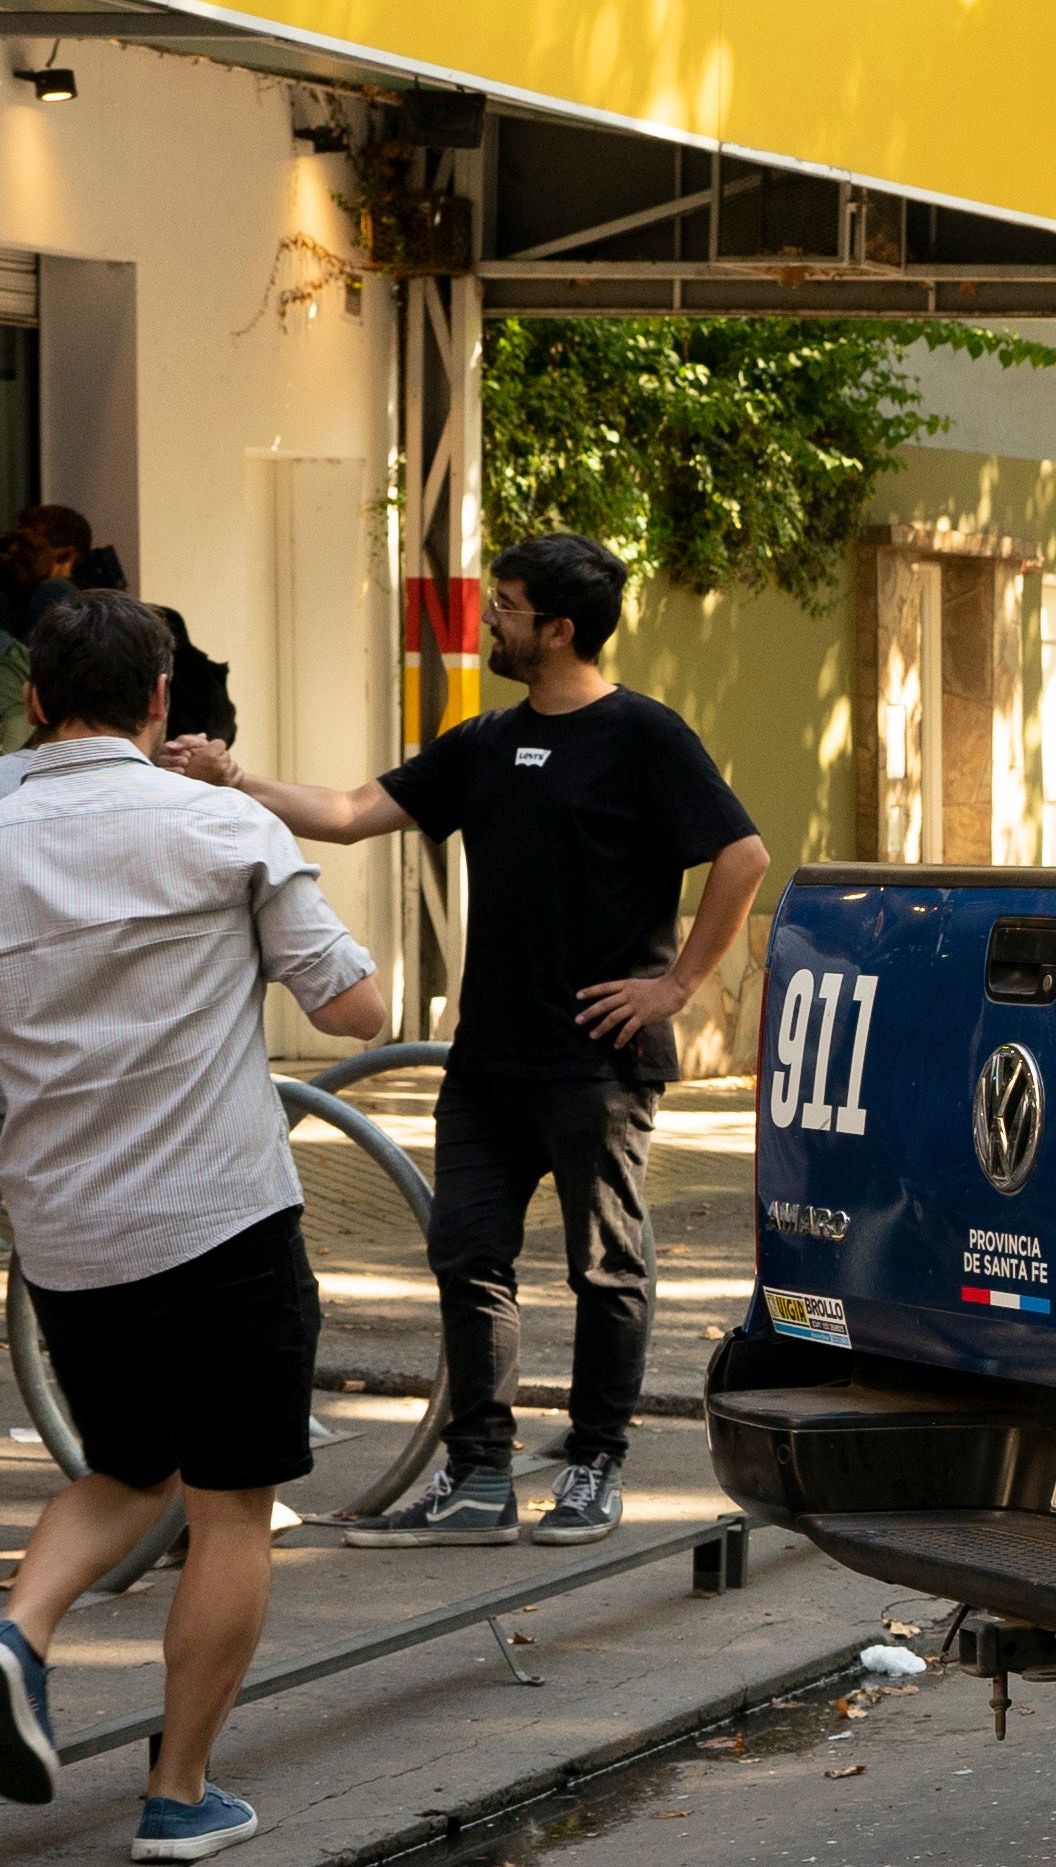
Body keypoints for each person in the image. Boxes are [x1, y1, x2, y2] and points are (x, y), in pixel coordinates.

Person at [0, 592, 389, 1864]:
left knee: (125, 1467)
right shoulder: (224, 827)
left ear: (33, 704)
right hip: (223, 1215)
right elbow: (355, 1013)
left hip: (65, 1233)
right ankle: (180, 1794)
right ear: (162, 698)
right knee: (231, 1502)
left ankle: (17, 1632)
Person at [176, 529, 764, 1547]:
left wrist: (676, 985)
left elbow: (743, 856)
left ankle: (593, 1464)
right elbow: (356, 811)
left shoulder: (643, 735)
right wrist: (233, 781)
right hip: (487, 1060)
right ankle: (480, 1474)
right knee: (467, 1256)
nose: (489, 615)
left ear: (560, 628)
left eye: (506, 603)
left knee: (605, 1268)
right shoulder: (484, 741)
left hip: (594, 1060)